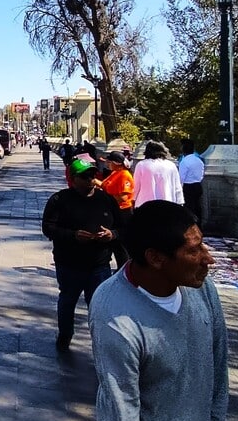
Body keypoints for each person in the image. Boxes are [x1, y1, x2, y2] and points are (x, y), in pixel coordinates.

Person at [90, 200, 228, 421]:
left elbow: (218, 359)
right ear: (156, 258)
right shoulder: (116, 317)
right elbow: (122, 410)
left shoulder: (200, 285)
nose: (208, 259)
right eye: (194, 249)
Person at [41, 156, 122, 351]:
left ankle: (100, 341)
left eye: (93, 175)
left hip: (99, 264)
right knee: (68, 301)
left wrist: (112, 235)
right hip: (69, 263)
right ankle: (65, 335)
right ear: (73, 179)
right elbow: (48, 228)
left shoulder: (106, 200)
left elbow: (123, 227)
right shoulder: (60, 200)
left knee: (98, 305)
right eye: (85, 176)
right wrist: (73, 235)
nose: (90, 180)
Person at [96, 150, 135, 270]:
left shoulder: (124, 175)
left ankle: (124, 267)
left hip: (123, 212)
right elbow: (105, 185)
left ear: (117, 163)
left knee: (120, 241)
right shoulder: (114, 173)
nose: (107, 163)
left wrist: (107, 196)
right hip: (112, 211)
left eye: (109, 161)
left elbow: (123, 197)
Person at [132, 141, 185, 209]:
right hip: (168, 204)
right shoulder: (171, 165)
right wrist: (180, 202)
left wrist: (133, 199)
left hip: (145, 205)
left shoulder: (141, 165)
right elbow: (177, 187)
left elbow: (136, 186)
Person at [179, 139, 205, 221]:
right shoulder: (198, 160)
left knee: (189, 209)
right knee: (198, 207)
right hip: (198, 185)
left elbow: (181, 177)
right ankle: (198, 225)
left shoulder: (184, 162)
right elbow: (201, 174)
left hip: (188, 186)